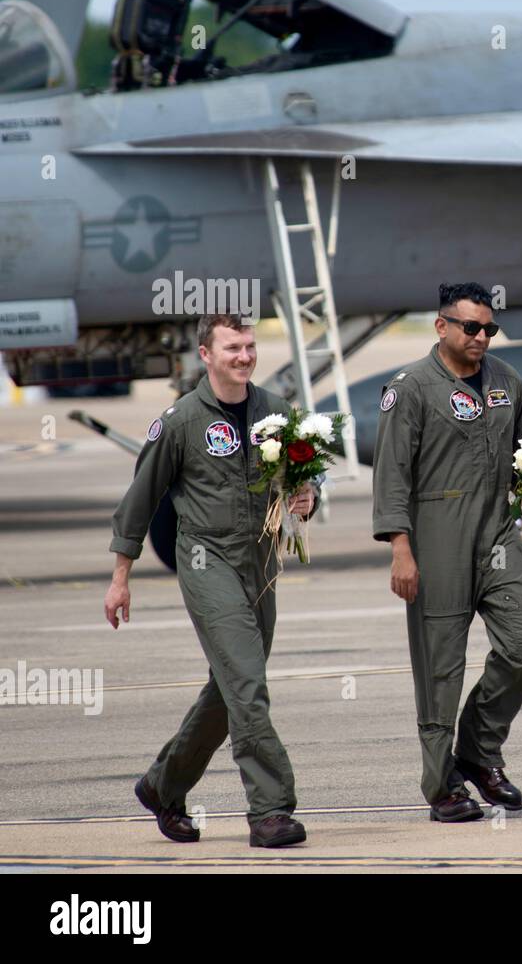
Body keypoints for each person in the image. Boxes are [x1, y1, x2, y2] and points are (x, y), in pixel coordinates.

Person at [105, 313, 316, 848]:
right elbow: (139, 501)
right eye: (232, 348)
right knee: (247, 683)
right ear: (205, 354)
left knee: (231, 687)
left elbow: (303, 478)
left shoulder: (276, 411)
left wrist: (307, 497)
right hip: (206, 561)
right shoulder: (179, 421)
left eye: (249, 346)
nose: (244, 356)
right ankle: (269, 809)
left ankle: (163, 784)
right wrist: (120, 577)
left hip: (261, 564)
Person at [372, 282, 522, 822]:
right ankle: (442, 785)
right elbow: (392, 476)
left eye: (489, 329)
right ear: (442, 326)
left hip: (497, 536)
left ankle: (477, 749)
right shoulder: (410, 390)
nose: (481, 337)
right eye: (471, 327)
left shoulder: (506, 381)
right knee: (440, 672)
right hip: (436, 541)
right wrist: (401, 551)